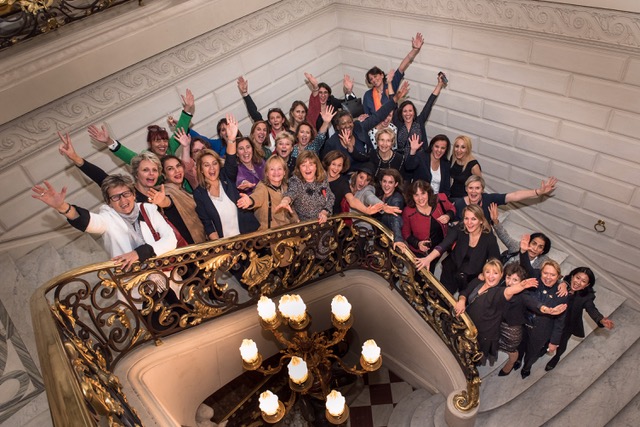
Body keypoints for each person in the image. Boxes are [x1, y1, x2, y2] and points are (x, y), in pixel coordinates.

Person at [454, 259, 538, 365]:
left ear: (501, 275)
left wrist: (521, 286)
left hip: (481, 334)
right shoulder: (478, 281)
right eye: (488, 272)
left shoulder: (498, 292)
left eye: (495, 273)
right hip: (467, 324)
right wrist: (462, 300)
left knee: (471, 358)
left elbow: (508, 291)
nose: (491, 276)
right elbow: (465, 291)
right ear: (483, 273)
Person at [193, 115, 259, 240]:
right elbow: (208, 224)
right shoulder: (199, 193)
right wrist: (220, 247)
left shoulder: (226, 176)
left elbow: (231, 159)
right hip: (227, 245)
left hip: (250, 236)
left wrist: (232, 139)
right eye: (206, 165)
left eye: (214, 164)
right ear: (201, 169)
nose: (212, 169)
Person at [88, 88, 194, 166]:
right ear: (150, 143)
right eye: (157, 141)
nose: (163, 144)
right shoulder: (144, 160)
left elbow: (180, 131)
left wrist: (188, 108)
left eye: (165, 140)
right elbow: (126, 155)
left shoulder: (169, 149)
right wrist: (108, 141)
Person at [321, 81, 410, 168]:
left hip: (367, 170)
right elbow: (326, 165)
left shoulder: (359, 127)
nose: (348, 125)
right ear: (337, 127)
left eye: (349, 122)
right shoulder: (331, 143)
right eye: (343, 123)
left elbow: (378, 116)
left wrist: (395, 98)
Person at [516, 235, 568, 379]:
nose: (548, 277)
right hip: (523, 322)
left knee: (532, 352)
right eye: (545, 273)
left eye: (552, 275)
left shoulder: (561, 294)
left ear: (558, 277)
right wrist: (522, 251)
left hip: (541, 330)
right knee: (520, 344)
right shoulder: (535, 278)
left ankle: (526, 367)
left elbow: (559, 322)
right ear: (541, 272)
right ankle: (518, 359)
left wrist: (554, 342)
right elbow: (526, 266)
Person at [417, 204, 500, 294]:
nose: (469, 223)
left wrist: (485, 273)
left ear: (481, 221)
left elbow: (495, 261)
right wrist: (428, 258)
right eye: (466, 218)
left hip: (471, 278)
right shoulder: (461, 227)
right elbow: (444, 244)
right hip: (451, 269)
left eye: (473, 219)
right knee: (442, 297)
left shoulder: (489, 238)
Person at [544, 267, 615, 371]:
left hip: (567, 324)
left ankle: (556, 357)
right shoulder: (563, 282)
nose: (578, 282)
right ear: (572, 276)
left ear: (587, 285)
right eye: (578, 278)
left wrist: (600, 319)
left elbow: (591, 309)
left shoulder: (587, 297)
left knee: (562, 344)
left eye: (583, 281)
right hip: (551, 319)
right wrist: (563, 283)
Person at [362, 33, 424, 115]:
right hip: (376, 127)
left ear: (382, 75)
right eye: (371, 79)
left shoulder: (390, 84)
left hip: (393, 125)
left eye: (375, 76)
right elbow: (367, 116)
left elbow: (402, 67)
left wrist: (415, 50)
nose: (374, 80)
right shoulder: (367, 95)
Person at [453, 175, 558, 223]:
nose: (473, 191)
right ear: (466, 189)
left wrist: (538, 192)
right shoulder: (459, 204)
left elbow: (514, 196)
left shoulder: (489, 199)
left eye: (477, 188)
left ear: (482, 190)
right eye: (471, 188)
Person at [402, 180, 455, 273]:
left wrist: (448, 216)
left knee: (432, 271)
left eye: (423, 193)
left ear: (428, 193)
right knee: (420, 276)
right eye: (416, 195)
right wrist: (418, 243)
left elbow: (452, 208)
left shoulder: (440, 200)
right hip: (419, 252)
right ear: (412, 197)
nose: (420, 198)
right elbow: (406, 234)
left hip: (439, 248)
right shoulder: (408, 212)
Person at [237, 156, 299, 230]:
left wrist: (296, 221)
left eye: (279, 169)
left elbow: (291, 209)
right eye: (272, 169)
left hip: (285, 231)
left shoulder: (285, 187)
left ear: (284, 172)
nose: (276, 172)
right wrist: (249, 201)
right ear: (266, 173)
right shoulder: (262, 187)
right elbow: (256, 197)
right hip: (268, 235)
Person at [393, 73, 446, 156]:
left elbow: (430, 103)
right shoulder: (398, 123)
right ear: (401, 113)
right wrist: (398, 95)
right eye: (405, 111)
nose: (408, 114)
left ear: (414, 112)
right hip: (402, 163)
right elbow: (392, 105)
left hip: (420, 161)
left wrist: (439, 85)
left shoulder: (419, 121)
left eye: (410, 111)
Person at [276, 151, 335, 223]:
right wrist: (285, 201)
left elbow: (330, 197)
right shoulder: (295, 181)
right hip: (306, 229)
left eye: (311, 164)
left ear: (316, 166)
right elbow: (291, 193)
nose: (307, 168)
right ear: (299, 168)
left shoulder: (323, 178)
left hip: (326, 226)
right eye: (303, 165)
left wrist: (324, 212)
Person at [160, 155, 207, 244]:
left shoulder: (181, 189)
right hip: (190, 246)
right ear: (164, 174)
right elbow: (167, 203)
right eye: (170, 169)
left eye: (178, 166)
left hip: (202, 241)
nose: (177, 171)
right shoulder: (167, 192)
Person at [489, 202, 552, 268]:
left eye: (540, 247)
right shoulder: (517, 247)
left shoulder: (544, 261)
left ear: (542, 252)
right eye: (534, 243)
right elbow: (504, 236)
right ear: (528, 243)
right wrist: (495, 220)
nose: (535, 249)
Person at [323, 150, 383, 216]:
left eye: (339, 165)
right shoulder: (319, 176)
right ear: (328, 163)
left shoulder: (343, 182)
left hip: (332, 219)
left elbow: (352, 200)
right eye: (333, 164)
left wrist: (367, 210)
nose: (336, 168)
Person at [237, 76, 290, 151]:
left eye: (278, 117)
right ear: (269, 122)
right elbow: (254, 114)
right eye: (272, 118)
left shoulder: (290, 134)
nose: (275, 120)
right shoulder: (265, 133)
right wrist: (245, 94)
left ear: (283, 120)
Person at [375, 169, 406, 249]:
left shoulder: (397, 199)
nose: (386, 185)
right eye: (384, 181)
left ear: (396, 184)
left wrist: (398, 239)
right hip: (379, 236)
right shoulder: (380, 195)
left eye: (390, 182)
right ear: (380, 182)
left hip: (389, 240)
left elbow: (395, 219)